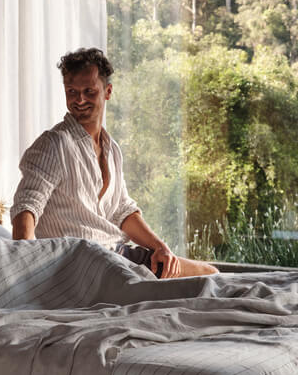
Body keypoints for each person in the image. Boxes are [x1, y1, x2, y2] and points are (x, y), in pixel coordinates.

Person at [11, 48, 217, 279]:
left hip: (115, 254)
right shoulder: (54, 143)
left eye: (89, 91)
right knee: (205, 279)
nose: (79, 100)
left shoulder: (113, 150)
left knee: (209, 273)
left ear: (107, 91)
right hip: (80, 260)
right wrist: (25, 269)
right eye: (72, 92)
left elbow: (122, 210)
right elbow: (27, 206)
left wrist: (160, 247)